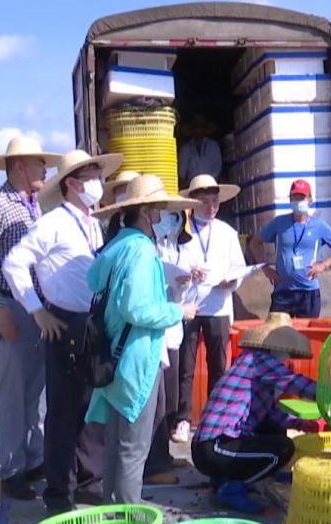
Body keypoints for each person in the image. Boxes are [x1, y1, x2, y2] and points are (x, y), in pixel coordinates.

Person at [1, 149, 123, 513]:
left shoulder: (91, 223)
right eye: (90, 176)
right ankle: (59, 493)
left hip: (91, 323)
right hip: (64, 325)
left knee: (91, 405)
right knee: (64, 411)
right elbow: (14, 263)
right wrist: (37, 311)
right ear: (71, 183)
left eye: (97, 176)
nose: (96, 184)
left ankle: (87, 480)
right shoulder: (52, 223)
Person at [86, 174, 201, 504]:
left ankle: (111, 509)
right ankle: (127, 512)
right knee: (133, 449)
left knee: (117, 442)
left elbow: (94, 282)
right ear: (148, 212)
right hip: (135, 359)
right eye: (160, 208)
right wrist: (178, 311)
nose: (164, 214)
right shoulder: (140, 250)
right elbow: (136, 308)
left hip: (113, 354)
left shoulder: (117, 246)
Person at [0, 135, 59, 500]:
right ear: (20, 166)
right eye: (40, 163)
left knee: (36, 391)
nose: (45, 169)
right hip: (10, 307)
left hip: (34, 306)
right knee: (11, 392)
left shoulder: (33, 205)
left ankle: (33, 456)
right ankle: (10, 466)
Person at [192, 312, 324, 513]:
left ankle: (228, 477)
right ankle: (232, 490)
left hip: (211, 448)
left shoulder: (253, 365)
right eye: (286, 352)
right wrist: (330, 394)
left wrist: (301, 423)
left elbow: (271, 413)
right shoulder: (258, 361)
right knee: (282, 449)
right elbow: (293, 382)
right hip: (213, 448)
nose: (286, 358)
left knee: (272, 428)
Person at [171, 175, 247, 444]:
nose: (211, 206)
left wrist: (232, 280)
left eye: (215, 201)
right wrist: (186, 272)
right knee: (185, 366)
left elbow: (239, 267)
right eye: (205, 202)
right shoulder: (181, 230)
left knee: (218, 365)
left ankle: (214, 416)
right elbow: (169, 262)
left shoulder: (226, 232)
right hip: (188, 305)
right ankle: (182, 419)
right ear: (193, 203)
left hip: (218, 305)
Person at [142, 208, 193, 485]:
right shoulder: (143, 247)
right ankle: (151, 464)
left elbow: (173, 293)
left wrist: (184, 282)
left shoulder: (174, 245)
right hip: (156, 330)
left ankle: (161, 454)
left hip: (172, 329)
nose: (170, 221)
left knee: (167, 400)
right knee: (155, 403)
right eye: (165, 214)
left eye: (176, 215)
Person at [248, 179, 331, 318]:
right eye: (294, 198)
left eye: (301, 198)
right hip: (283, 292)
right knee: (277, 336)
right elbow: (254, 243)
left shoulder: (318, 226)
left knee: (307, 337)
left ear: (310, 200)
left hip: (308, 293)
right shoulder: (279, 223)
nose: (298, 201)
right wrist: (266, 269)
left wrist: (324, 265)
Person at [177, 114, 223, 187]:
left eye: (201, 127)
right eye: (196, 127)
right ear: (192, 130)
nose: (198, 130)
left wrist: (208, 183)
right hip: (192, 187)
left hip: (211, 185)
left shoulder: (213, 146)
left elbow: (217, 168)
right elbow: (181, 174)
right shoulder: (186, 149)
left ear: (205, 129)